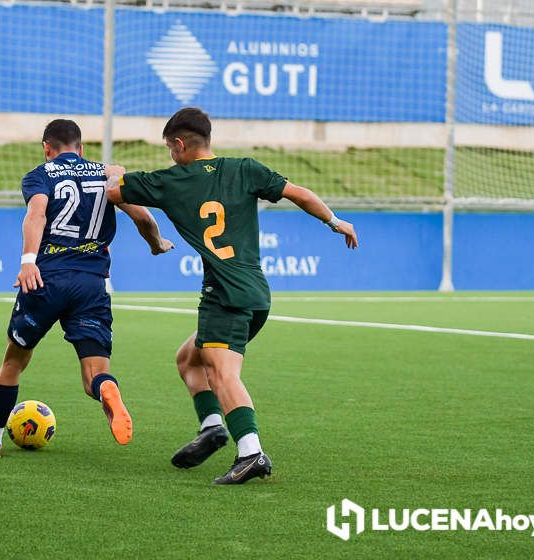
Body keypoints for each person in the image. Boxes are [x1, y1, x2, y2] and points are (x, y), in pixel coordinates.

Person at [105, 108, 358, 484]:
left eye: (170, 149)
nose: (171, 156)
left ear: (178, 144)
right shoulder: (246, 169)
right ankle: (212, 428)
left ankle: (251, 452)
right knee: (188, 359)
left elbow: (113, 194)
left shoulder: (169, 181)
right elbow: (300, 194)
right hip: (256, 293)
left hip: (223, 294)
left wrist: (115, 172)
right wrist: (336, 222)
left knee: (221, 372)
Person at [0, 119, 173, 459]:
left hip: (46, 280)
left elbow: (36, 215)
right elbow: (142, 217)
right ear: (81, 148)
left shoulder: (41, 174)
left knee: (13, 362)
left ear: (47, 149)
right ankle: (108, 390)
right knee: (95, 372)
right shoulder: (107, 175)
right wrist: (156, 242)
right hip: (92, 285)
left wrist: (28, 260)